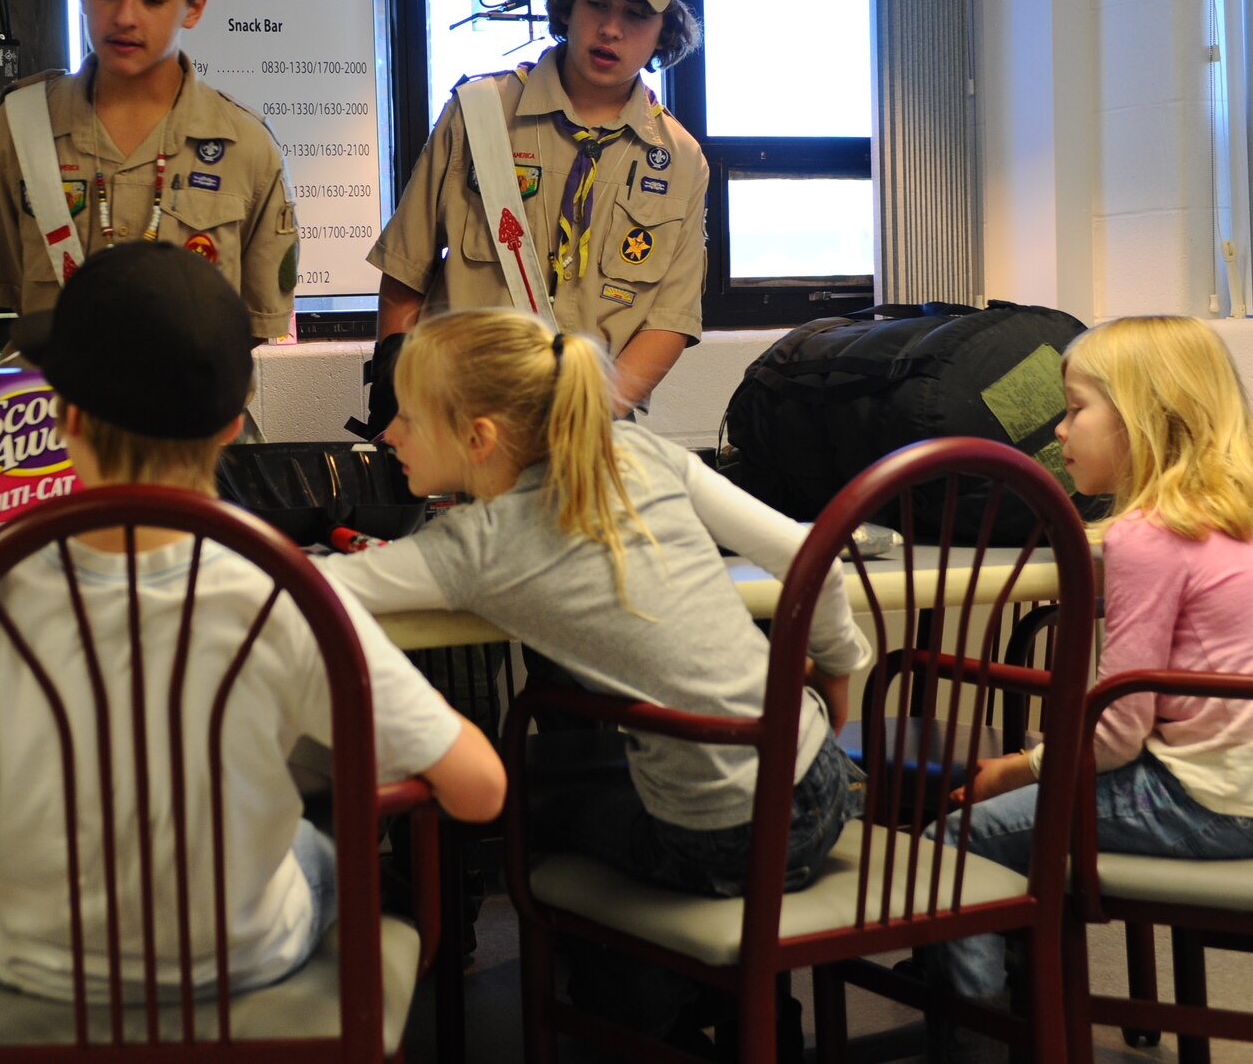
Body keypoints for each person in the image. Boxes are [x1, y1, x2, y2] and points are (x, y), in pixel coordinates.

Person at [0, 241, 505, 1003]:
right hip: (241, 960)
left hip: (34, 964)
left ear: (64, 417)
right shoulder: (286, 590)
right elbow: (480, 789)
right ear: (230, 425)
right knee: (319, 854)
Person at [319, 308, 871, 1048]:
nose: (387, 434)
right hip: (824, 781)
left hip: (719, 841)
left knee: (535, 817)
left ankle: (635, 1008)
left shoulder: (474, 545)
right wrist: (838, 670)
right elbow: (818, 561)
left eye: (406, 418)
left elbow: (315, 586)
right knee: (597, 788)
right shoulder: (640, 452)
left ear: (478, 437)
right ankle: (731, 1006)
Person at [928, 315, 1253, 1012]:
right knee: (1027, 812)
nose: (1060, 430)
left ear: (1145, 418)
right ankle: (1033, 999)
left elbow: (1116, 735)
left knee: (954, 837)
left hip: (1208, 803)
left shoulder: (1150, 536)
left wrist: (1020, 767)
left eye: (1076, 408)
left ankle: (984, 1025)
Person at [356, 0, 708, 435]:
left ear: (664, 33)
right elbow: (405, 273)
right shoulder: (478, 114)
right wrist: (398, 395)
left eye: (636, 15)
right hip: (457, 422)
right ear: (567, 7)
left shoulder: (680, 161)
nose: (611, 28)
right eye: (596, 4)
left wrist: (581, 418)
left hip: (586, 435)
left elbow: (668, 323)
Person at [0, 0, 299, 350]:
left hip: (189, 417)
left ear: (195, 7)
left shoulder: (246, 146)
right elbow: (8, 289)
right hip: (51, 416)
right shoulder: (21, 126)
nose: (124, 16)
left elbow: (257, 321)